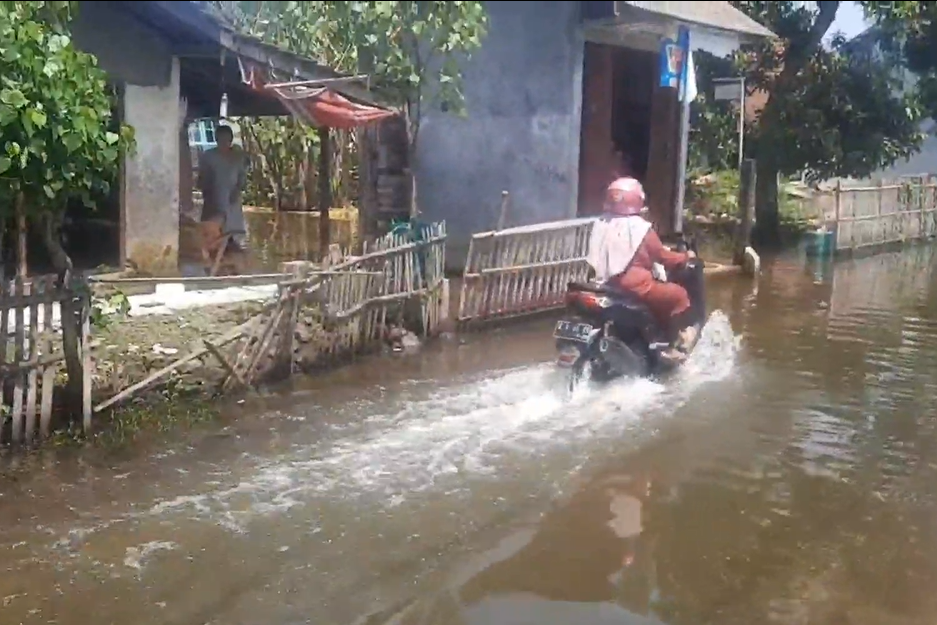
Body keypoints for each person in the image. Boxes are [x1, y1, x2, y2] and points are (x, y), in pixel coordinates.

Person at [586, 176, 699, 356]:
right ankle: (672, 345)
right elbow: (664, 257)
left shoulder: (601, 223)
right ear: (636, 199)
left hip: (604, 285)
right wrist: (686, 257)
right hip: (636, 287)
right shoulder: (639, 228)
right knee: (679, 295)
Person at [198, 123, 248, 251]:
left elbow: (242, 178)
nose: (224, 142)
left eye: (227, 139)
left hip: (232, 197)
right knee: (213, 230)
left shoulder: (237, 157)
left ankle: (232, 247)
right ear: (216, 139)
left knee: (233, 230)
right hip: (214, 196)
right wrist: (208, 194)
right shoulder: (208, 156)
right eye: (221, 139)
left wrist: (236, 191)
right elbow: (203, 178)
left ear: (231, 139)